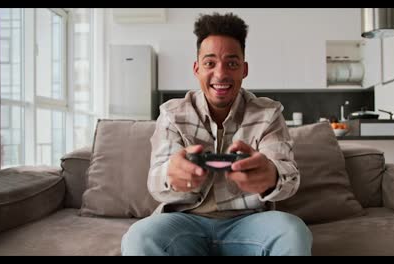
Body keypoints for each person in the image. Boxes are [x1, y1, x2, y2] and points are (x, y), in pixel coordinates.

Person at [121, 12, 312, 256]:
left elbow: (290, 178)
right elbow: (156, 183)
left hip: (249, 223)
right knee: (140, 236)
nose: (220, 74)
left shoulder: (269, 114)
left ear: (244, 69)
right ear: (196, 68)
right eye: (210, 63)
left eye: (231, 63)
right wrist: (173, 175)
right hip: (184, 223)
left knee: (292, 231)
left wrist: (271, 176)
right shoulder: (171, 114)